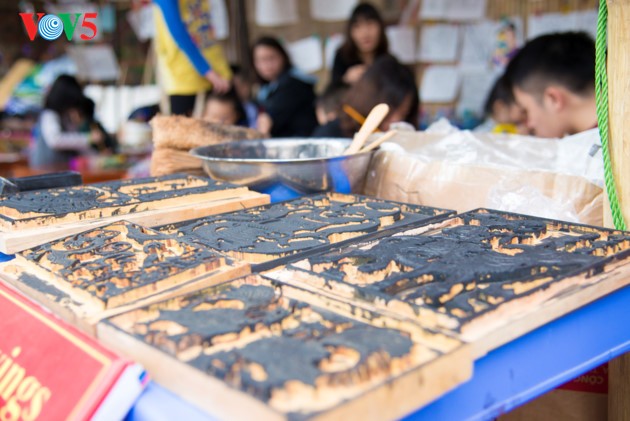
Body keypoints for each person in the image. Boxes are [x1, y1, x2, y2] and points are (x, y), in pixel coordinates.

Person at [504, 32, 597, 138]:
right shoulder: (603, 137)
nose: (529, 125)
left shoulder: (606, 149)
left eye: (526, 111)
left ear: (553, 99)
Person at [153, 0, 232, 116]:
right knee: (183, 128)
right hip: (184, 74)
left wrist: (219, 69)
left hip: (214, 67)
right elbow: (178, 33)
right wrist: (207, 71)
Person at [314, 54, 419, 138]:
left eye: (404, 114)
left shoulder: (395, 142)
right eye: (390, 112)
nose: (396, 121)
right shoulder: (331, 135)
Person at [31, 75, 114, 169]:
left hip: (60, 169)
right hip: (45, 168)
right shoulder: (49, 115)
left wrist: (97, 156)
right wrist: (88, 138)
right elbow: (55, 140)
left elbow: (77, 144)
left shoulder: (65, 117)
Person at [252, 37, 318, 137]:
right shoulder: (266, 87)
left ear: (283, 57)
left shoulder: (293, 84)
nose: (267, 65)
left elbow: (270, 119)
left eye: (271, 58)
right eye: (261, 60)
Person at [330, 2, 389, 87]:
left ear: (380, 27)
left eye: (370, 24)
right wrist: (345, 79)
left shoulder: (387, 61)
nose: (365, 33)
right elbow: (331, 94)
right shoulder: (341, 57)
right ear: (350, 32)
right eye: (357, 26)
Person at [230, 64, 258, 129]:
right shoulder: (227, 110)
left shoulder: (256, 107)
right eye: (235, 87)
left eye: (244, 85)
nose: (243, 89)